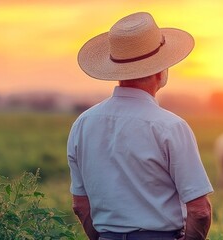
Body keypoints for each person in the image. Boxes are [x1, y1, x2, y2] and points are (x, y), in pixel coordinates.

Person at [68, 12, 213, 240]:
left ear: (116, 69)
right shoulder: (170, 126)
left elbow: (80, 205)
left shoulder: (82, 124)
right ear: (160, 69)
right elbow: (200, 211)